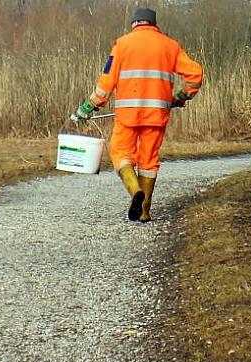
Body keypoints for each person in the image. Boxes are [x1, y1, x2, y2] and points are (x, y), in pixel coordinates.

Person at [73, 8, 203, 223]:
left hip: (127, 114)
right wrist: (182, 96)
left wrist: (89, 106)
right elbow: (196, 75)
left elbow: (106, 83)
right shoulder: (170, 46)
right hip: (157, 113)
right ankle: (144, 211)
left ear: (134, 24)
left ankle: (135, 192)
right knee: (149, 161)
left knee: (121, 152)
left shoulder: (122, 45)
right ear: (154, 24)